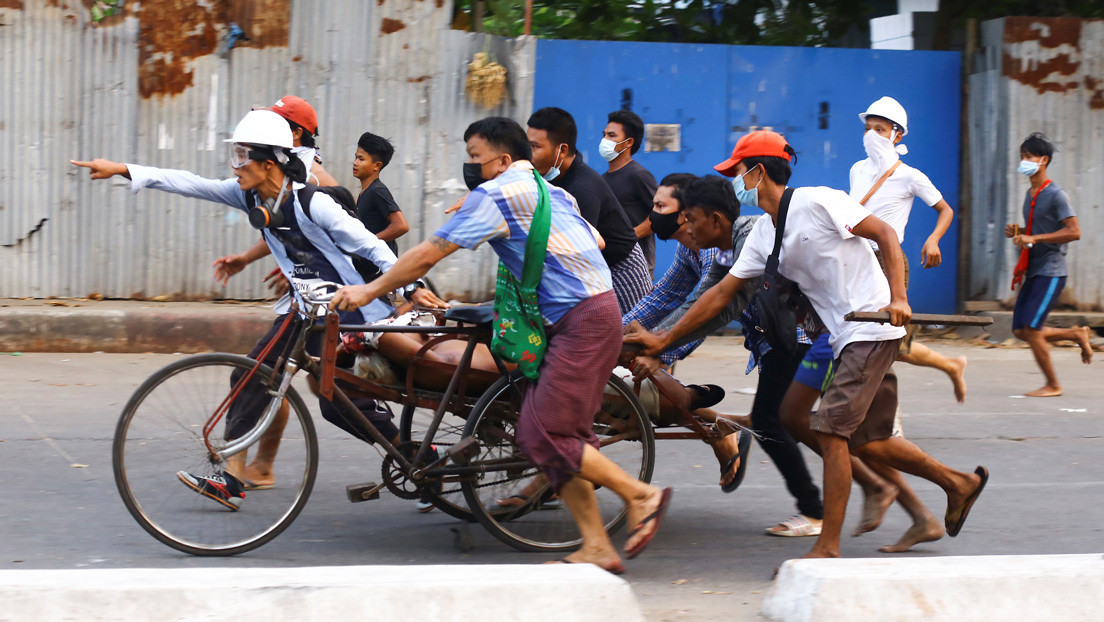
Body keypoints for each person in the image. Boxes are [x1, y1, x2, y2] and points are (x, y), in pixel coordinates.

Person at [330, 116, 672, 573]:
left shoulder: (499, 194)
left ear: (504, 160)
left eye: (475, 157)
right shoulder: (550, 190)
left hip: (581, 321)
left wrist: (369, 291)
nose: (470, 166)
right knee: (555, 434)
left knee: (540, 433)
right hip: (579, 315)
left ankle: (640, 495)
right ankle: (596, 545)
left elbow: (429, 253)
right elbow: (591, 237)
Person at [627, 130, 987, 559]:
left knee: (830, 431)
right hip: (839, 336)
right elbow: (721, 294)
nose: (734, 181)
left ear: (758, 173)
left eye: (738, 171)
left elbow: (886, 236)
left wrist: (899, 297)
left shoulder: (820, 201)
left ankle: (828, 546)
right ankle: (958, 483)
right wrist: (663, 339)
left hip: (869, 326)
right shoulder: (764, 232)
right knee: (869, 440)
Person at [71, 110, 416, 511]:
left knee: (335, 402)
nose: (234, 166)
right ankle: (232, 478)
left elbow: (371, 247)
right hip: (304, 312)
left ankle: (412, 459)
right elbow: (192, 184)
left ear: (269, 163)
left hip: (346, 313)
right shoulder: (250, 194)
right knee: (249, 374)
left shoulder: (314, 203)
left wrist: (412, 285)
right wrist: (125, 169)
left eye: (241, 157)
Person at [624, 174, 826, 534]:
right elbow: (665, 296)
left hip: (806, 333)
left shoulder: (742, 240)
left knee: (780, 422)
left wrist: (661, 346)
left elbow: (712, 306)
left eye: (665, 209)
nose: (665, 219)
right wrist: (616, 334)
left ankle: (830, 501)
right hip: (779, 339)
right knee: (785, 421)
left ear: (703, 217)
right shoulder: (701, 247)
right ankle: (859, 487)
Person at [526, 107, 652, 314]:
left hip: (620, 271)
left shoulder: (583, 189)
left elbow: (579, 253)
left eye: (534, 146)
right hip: (594, 268)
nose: (528, 155)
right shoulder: (552, 178)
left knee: (626, 340)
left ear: (562, 150)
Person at [1006, 132, 1093, 396]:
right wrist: (1018, 231)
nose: (1024, 161)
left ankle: (1053, 385)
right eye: (1022, 157)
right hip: (1033, 269)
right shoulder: (1031, 193)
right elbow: (1036, 229)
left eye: (1029, 157)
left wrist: (1035, 236)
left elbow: (1074, 231)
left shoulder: (1057, 195)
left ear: (1043, 160)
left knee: (1032, 329)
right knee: (1020, 330)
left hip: (1051, 270)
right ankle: (1076, 335)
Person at [601, 110, 659, 276]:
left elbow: (661, 214)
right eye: (604, 135)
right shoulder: (602, 179)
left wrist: (629, 237)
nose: (605, 140)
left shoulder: (638, 175)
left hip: (637, 267)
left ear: (628, 142)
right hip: (610, 265)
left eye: (612, 135)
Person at [353, 132, 409, 257]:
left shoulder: (377, 191)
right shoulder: (365, 193)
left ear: (376, 166)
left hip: (381, 269)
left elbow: (401, 226)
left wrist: (369, 243)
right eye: (356, 157)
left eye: (361, 159)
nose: (355, 162)